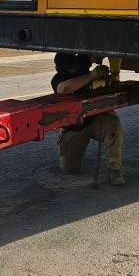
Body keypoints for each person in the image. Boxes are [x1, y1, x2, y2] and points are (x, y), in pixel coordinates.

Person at [51, 53, 125, 185]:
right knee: (70, 169)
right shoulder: (58, 79)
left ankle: (115, 169)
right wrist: (92, 75)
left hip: (95, 118)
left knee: (113, 124)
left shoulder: (82, 62)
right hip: (74, 126)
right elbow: (64, 88)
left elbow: (96, 54)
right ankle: (66, 142)